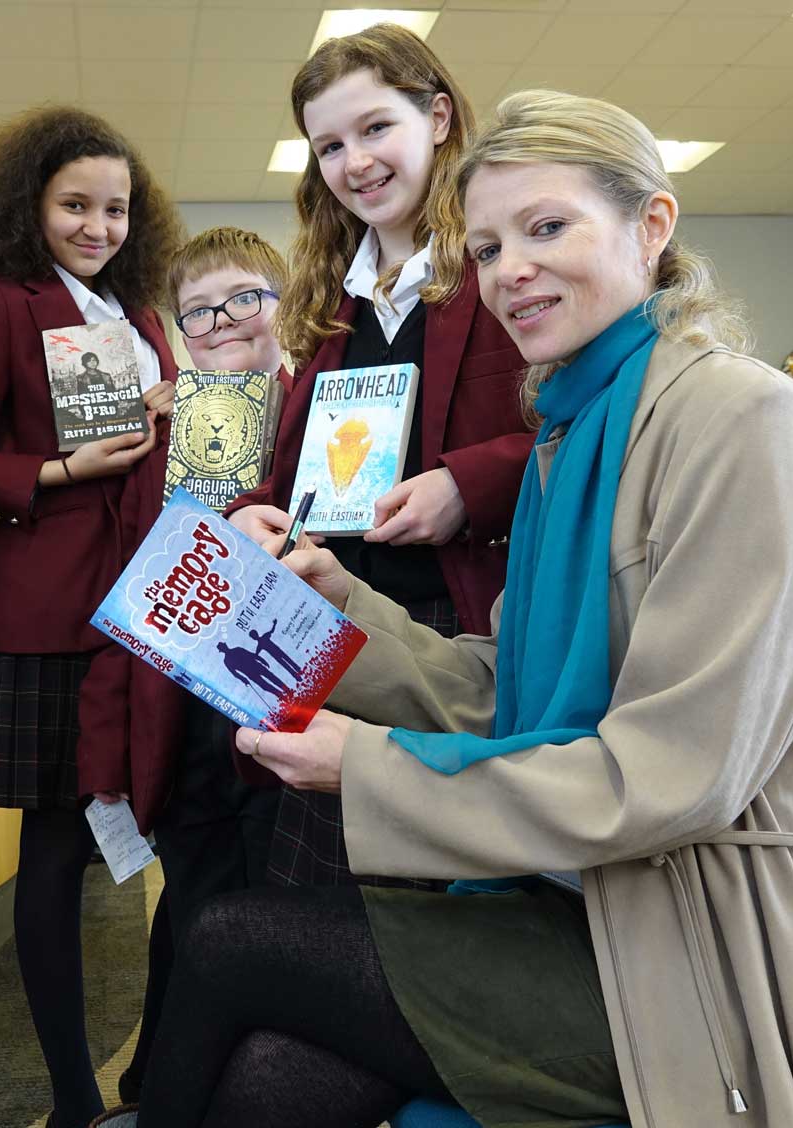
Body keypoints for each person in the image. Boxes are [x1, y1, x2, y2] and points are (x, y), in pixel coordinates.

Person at [97, 88, 793, 1128]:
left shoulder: (741, 421)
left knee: (232, 943)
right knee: (273, 1070)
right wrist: (334, 602)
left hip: (707, 957)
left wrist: (365, 767)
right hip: (581, 903)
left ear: (651, 227)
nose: (510, 272)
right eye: (488, 247)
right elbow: (508, 690)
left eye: (547, 228)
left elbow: (666, 779)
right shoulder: (570, 427)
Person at [225, 23, 533, 891]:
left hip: (453, 628)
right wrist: (258, 506)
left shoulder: (501, 268)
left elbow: (572, 430)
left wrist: (468, 485)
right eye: (329, 144)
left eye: (375, 129)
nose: (354, 161)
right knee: (324, 902)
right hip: (327, 628)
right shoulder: (330, 299)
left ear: (438, 118)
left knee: (432, 906)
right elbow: (300, 461)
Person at [0, 105, 182, 1128]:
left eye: (116, 209)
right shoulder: (2, 302)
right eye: (76, 205)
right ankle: (73, 1093)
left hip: (146, 602)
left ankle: (145, 1070)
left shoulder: (139, 311)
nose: (98, 226)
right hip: (52, 611)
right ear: (29, 205)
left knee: (134, 835)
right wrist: (57, 468)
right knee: (52, 851)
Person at [111, 226, 293, 1103]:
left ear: (283, 305)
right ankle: (166, 1084)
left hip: (281, 717)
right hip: (180, 719)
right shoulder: (158, 431)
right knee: (193, 906)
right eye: (198, 312)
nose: (222, 322)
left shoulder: (326, 410)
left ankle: (235, 1089)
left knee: (268, 920)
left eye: (245, 299)